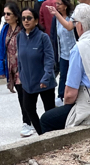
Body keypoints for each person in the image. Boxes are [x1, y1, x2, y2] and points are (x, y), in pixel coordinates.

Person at [38, 3, 90, 133]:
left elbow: (69, 95)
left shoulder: (79, 48)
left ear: (80, 26)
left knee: (46, 119)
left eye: (74, 23)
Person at [17, 5, 56, 135]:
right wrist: (21, 75)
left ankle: (54, 135)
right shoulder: (20, 37)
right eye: (23, 18)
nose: (26, 21)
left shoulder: (43, 37)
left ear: (36, 20)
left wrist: (46, 77)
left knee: (50, 112)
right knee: (28, 108)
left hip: (45, 82)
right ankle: (42, 134)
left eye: (29, 18)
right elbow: (20, 59)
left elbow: (50, 59)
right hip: (28, 83)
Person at [0, 2, 33, 136]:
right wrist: (1, 68)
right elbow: (1, 49)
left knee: (27, 96)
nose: (5, 16)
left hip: (24, 67)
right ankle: (28, 121)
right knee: (21, 95)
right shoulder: (5, 29)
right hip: (12, 68)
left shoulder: (23, 29)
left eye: (8, 14)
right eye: (4, 14)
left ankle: (28, 122)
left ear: (15, 15)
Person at [51, 0, 78, 105]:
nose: (57, 6)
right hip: (63, 53)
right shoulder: (55, 19)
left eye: (59, 4)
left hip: (74, 52)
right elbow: (53, 36)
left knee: (74, 74)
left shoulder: (72, 17)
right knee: (63, 75)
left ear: (65, 6)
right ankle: (61, 96)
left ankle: (75, 95)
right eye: (56, 4)